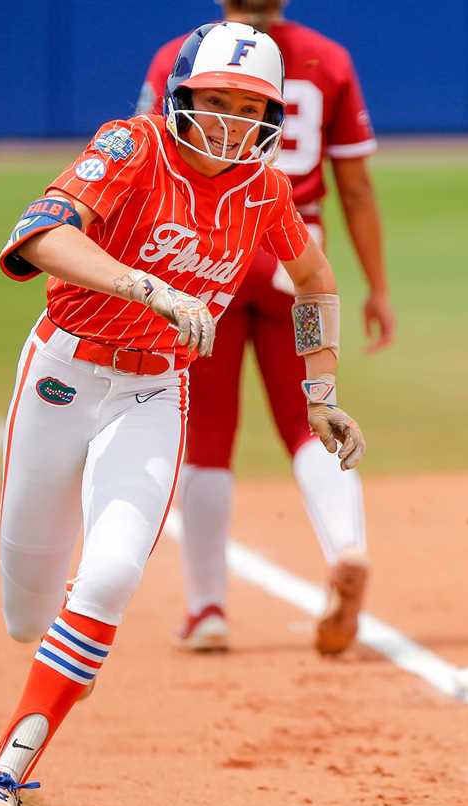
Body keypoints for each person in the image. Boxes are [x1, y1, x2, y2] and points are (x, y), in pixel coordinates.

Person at [0, 21, 365, 806]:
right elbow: (40, 234)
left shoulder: (261, 187)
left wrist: (320, 390)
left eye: (246, 106)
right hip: (63, 376)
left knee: (107, 576)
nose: (226, 120)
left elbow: (314, 276)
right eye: (212, 100)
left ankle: (4, 774)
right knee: (24, 610)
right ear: (181, 97)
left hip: (154, 391)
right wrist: (143, 284)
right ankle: (62, 663)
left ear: (270, 116)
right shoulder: (131, 146)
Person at [138, 0, 394, 657]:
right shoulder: (327, 58)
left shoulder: (181, 55)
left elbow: (148, 170)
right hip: (296, 248)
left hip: (207, 249)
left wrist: (146, 282)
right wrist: (377, 287)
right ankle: (347, 547)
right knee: (313, 417)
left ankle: (208, 609)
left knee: (208, 438)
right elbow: (357, 186)